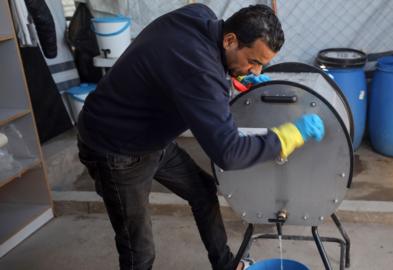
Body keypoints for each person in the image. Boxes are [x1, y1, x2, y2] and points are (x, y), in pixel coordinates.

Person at [77, 3, 325, 270]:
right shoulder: (199, 70)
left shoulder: (201, 16)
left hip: (152, 137)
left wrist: (232, 78)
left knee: (203, 190)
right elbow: (228, 153)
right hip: (117, 147)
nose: (256, 72)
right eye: (253, 62)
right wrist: (286, 138)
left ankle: (225, 265)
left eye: (261, 65)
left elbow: (195, 71)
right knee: (138, 249)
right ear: (230, 40)